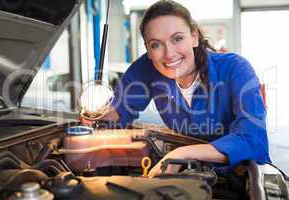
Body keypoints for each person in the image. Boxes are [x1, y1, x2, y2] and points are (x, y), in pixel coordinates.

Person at [81, 0, 270, 177]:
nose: (169, 54)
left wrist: (182, 153)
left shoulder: (235, 69)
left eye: (177, 39)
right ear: (147, 49)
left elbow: (252, 140)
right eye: (155, 44)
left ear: (194, 36)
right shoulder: (147, 68)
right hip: (188, 172)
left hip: (240, 174)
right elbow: (119, 110)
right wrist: (99, 114)